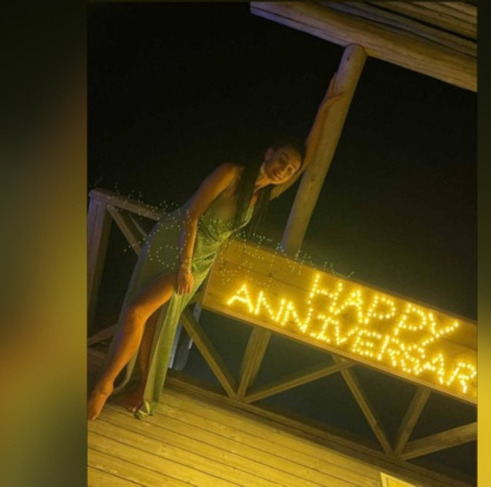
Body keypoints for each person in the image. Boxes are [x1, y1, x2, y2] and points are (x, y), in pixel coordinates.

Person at [87, 74, 343, 420]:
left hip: (199, 260)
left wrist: (325, 110)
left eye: (290, 168)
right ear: (269, 153)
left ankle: (141, 386)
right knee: (138, 311)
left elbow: (307, 160)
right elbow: (191, 214)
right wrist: (184, 267)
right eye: (282, 159)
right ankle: (105, 385)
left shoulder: (263, 195)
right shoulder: (230, 173)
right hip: (175, 244)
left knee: (158, 318)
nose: (284, 169)